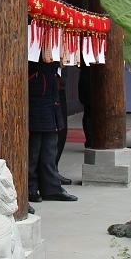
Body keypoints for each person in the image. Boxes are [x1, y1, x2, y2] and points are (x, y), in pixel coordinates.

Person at [28, 58, 78, 202]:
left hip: (50, 87)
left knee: (50, 146)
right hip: (37, 82)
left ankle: (51, 187)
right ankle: (31, 187)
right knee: (34, 147)